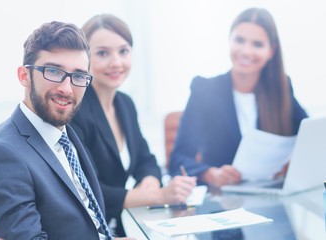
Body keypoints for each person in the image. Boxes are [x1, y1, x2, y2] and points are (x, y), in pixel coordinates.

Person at [0, 21, 133, 240]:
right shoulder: (2, 155)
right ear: (24, 76)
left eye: (78, 76)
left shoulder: (62, 134)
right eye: (53, 71)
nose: (67, 89)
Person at [70, 14, 197, 236]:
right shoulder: (75, 111)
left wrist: (149, 180)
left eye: (123, 51)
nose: (116, 62)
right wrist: (159, 195)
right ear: (84, 58)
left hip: (126, 222)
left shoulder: (124, 104)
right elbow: (91, 192)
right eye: (102, 53)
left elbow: (145, 160)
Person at [169, 8, 308, 187]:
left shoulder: (281, 89)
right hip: (223, 202)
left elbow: (310, 139)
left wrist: (293, 164)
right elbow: (178, 160)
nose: (246, 51)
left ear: (271, 51)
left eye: (257, 44)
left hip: (272, 196)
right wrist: (211, 174)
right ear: (229, 40)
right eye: (239, 40)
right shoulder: (204, 90)